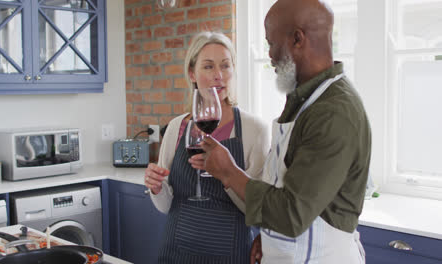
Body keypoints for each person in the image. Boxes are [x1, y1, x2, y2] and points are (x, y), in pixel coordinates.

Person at [194, 0, 372, 263]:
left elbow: (292, 213)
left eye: (271, 44)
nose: (269, 55)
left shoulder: (333, 112)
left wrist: (229, 172)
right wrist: (268, 237)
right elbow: (288, 185)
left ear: (298, 39)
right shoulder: (307, 99)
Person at [144, 31, 270, 263]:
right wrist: (156, 187)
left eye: (225, 65)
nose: (218, 76)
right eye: (209, 67)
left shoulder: (255, 131)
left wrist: (225, 174)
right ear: (192, 73)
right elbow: (167, 206)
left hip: (229, 254)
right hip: (175, 251)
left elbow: (258, 211)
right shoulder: (176, 127)